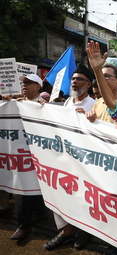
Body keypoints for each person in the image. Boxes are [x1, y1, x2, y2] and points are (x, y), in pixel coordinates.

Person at [44, 64, 95, 251]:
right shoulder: (67, 103)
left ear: (88, 84)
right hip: (65, 157)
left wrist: (90, 120)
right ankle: (67, 229)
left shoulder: (93, 104)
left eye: (79, 79)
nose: (74, 82)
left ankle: (82, 232)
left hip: (83, 161)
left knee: (83, 197)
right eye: (72, 79)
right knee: (64, 195)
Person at [8, 74, 47, 240]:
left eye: (29, 83)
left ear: (38, 87)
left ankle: (24, 225)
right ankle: (38, 213)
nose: (24, 85)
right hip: (20, 153)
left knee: (27, 188)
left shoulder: (43, 106)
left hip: (37, 154)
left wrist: (45, 106)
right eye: (23, 83)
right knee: (28, 187)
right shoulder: (17, 103)